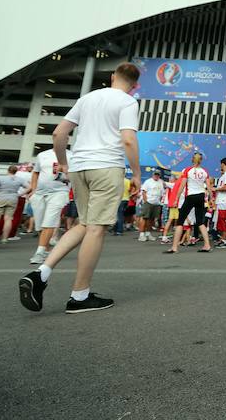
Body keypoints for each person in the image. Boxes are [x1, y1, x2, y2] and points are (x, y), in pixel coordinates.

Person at [18, 62, 141, 313]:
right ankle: (80, 295)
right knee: (96, 229)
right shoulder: (128, 102)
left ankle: (41, 272)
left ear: (112, 76)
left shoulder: (87, 98)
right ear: (135, 86)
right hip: (106, 167)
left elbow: (58, 133)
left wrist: (63, 163)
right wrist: (136, 173)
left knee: (83, 224)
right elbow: (128, 139)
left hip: (79, 167)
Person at [26, 148, 73, 265]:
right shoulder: (42, 155)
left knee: (49, 221)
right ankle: (46, 249)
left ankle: (39, 252)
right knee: (40, 225)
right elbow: (36, 172)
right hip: (40, 193)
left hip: (60, 192)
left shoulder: (72, 155)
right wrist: (33, 189)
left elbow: (77, 176)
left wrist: (66, 172)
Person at [165, 153, 213, 253]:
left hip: (191, 196)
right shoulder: (205, 171)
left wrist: (176, 199)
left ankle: (174, 247)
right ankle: (207, 245)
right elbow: (208, 187)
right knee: (200, 222)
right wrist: (211, 199)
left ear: (192, 159)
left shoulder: (188, 170)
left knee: (180, 221)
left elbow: (182, 185)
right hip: (201, 196)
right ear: (201, 160)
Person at [0, 166, 24, 245]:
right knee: (8, 219)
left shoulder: (1, 178)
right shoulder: (19, 179)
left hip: (0, 197)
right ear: (16, 171)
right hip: (13, 198)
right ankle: (5, 238)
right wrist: (19, 194)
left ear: (8, 170)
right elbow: (29, 187)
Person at [139, 171, 165, 242]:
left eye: (158, 175)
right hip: (148, 202)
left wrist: (160, 201)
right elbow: (144, 192)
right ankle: (141, 235)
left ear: (159, 176)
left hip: (156, 203)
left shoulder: (161, 182)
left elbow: (162, 192)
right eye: (155, 175)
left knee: (152, 219)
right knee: (144, 218)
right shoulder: (148, 181)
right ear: (153, 175)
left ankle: (148, 233)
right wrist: (145, 201)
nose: (156, 176)